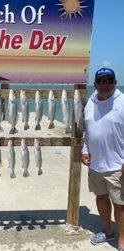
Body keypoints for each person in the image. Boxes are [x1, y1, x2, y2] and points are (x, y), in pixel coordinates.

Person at [82, 67, 124, 251]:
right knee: (101, 198)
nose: (105, 85)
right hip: (96, 164)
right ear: (95, 84)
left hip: (117, 165)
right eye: (101, 81)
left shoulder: (122, 101)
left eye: (109, 81)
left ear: (115, 83)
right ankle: (108, 231)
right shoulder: (89, 103)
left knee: (120, 205)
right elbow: (87, 130)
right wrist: (85, 149)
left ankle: (122, 240)